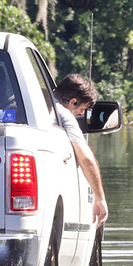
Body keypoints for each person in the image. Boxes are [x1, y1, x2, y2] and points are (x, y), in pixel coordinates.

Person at [52, 74, 108, 227]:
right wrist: (100, 198)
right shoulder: (63, 114)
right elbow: (86, 158)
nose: (83, 114)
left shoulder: (25, 101)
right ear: (73, 102)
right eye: (83, 108)